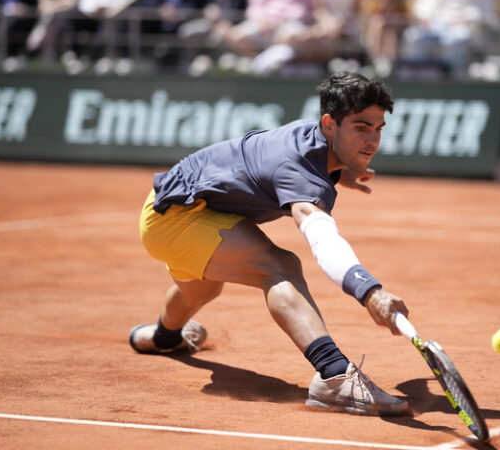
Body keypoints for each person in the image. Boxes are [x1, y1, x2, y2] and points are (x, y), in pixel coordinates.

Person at [130, 72, 411, 416]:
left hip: (177, 206)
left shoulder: (319, 144)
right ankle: (334, 377)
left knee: (202, 290)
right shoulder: (297, 164)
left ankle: (162, 338)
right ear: (329, 124)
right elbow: (322, 236)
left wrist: (339, 172)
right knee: (279, 266)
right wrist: (370, 291)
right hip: (175, 217)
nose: (372, 140)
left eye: (378, 129)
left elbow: (308, 166)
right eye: (361, 127)